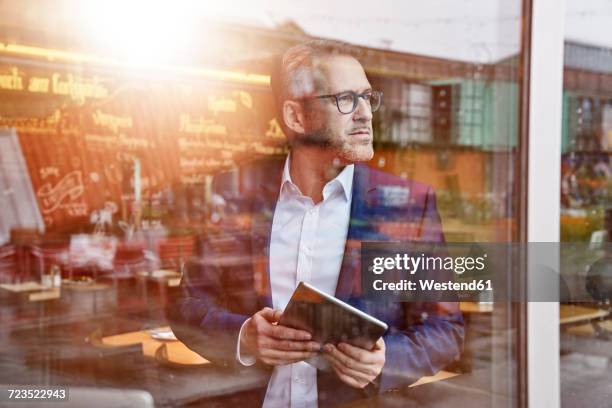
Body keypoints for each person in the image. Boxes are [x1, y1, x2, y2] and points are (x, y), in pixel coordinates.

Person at [168, 40, 464, 407]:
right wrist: (244, 337)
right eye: (346, 99)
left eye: (367, 98)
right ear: (296, 117)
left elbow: (445, 329)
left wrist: (388, 360)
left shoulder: (408, 205)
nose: (365, 114)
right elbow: (186, 304)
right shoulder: (235, 196)